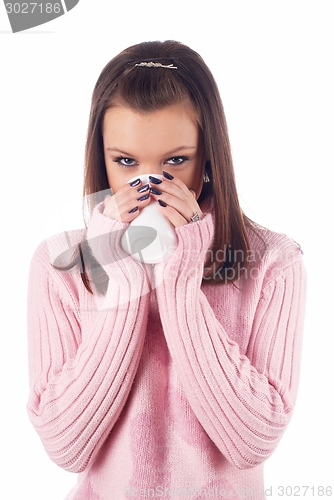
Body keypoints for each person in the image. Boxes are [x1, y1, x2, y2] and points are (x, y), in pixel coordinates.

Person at [26, 40, 306, 500]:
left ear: (210, 157)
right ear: (102, 159)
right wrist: (122, 276)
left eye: (176, 161)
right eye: (126, 162)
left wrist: (180, 281)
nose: (150, 186)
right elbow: (66, 446)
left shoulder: (273, 262)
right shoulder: (61, 265)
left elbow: (253, 441)